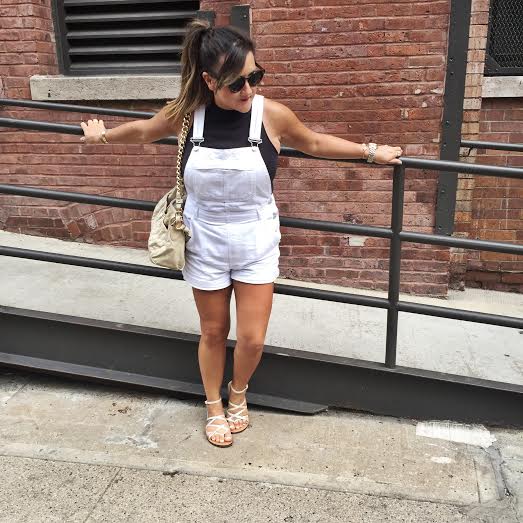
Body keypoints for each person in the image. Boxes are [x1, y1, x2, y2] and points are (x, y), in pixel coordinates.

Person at [80, 19, 403, 448]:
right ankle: (213, 404)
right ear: (210, 81)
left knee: (252, 338)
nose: (248, 90)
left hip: (256, 241)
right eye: (236, 83)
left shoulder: (271, 115)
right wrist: (102, 137)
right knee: (213, 332)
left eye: (255, 77)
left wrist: (370, 152)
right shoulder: (187, 116)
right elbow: (143, 131)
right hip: (204, 241)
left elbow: (314, 143)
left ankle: (238, 392)